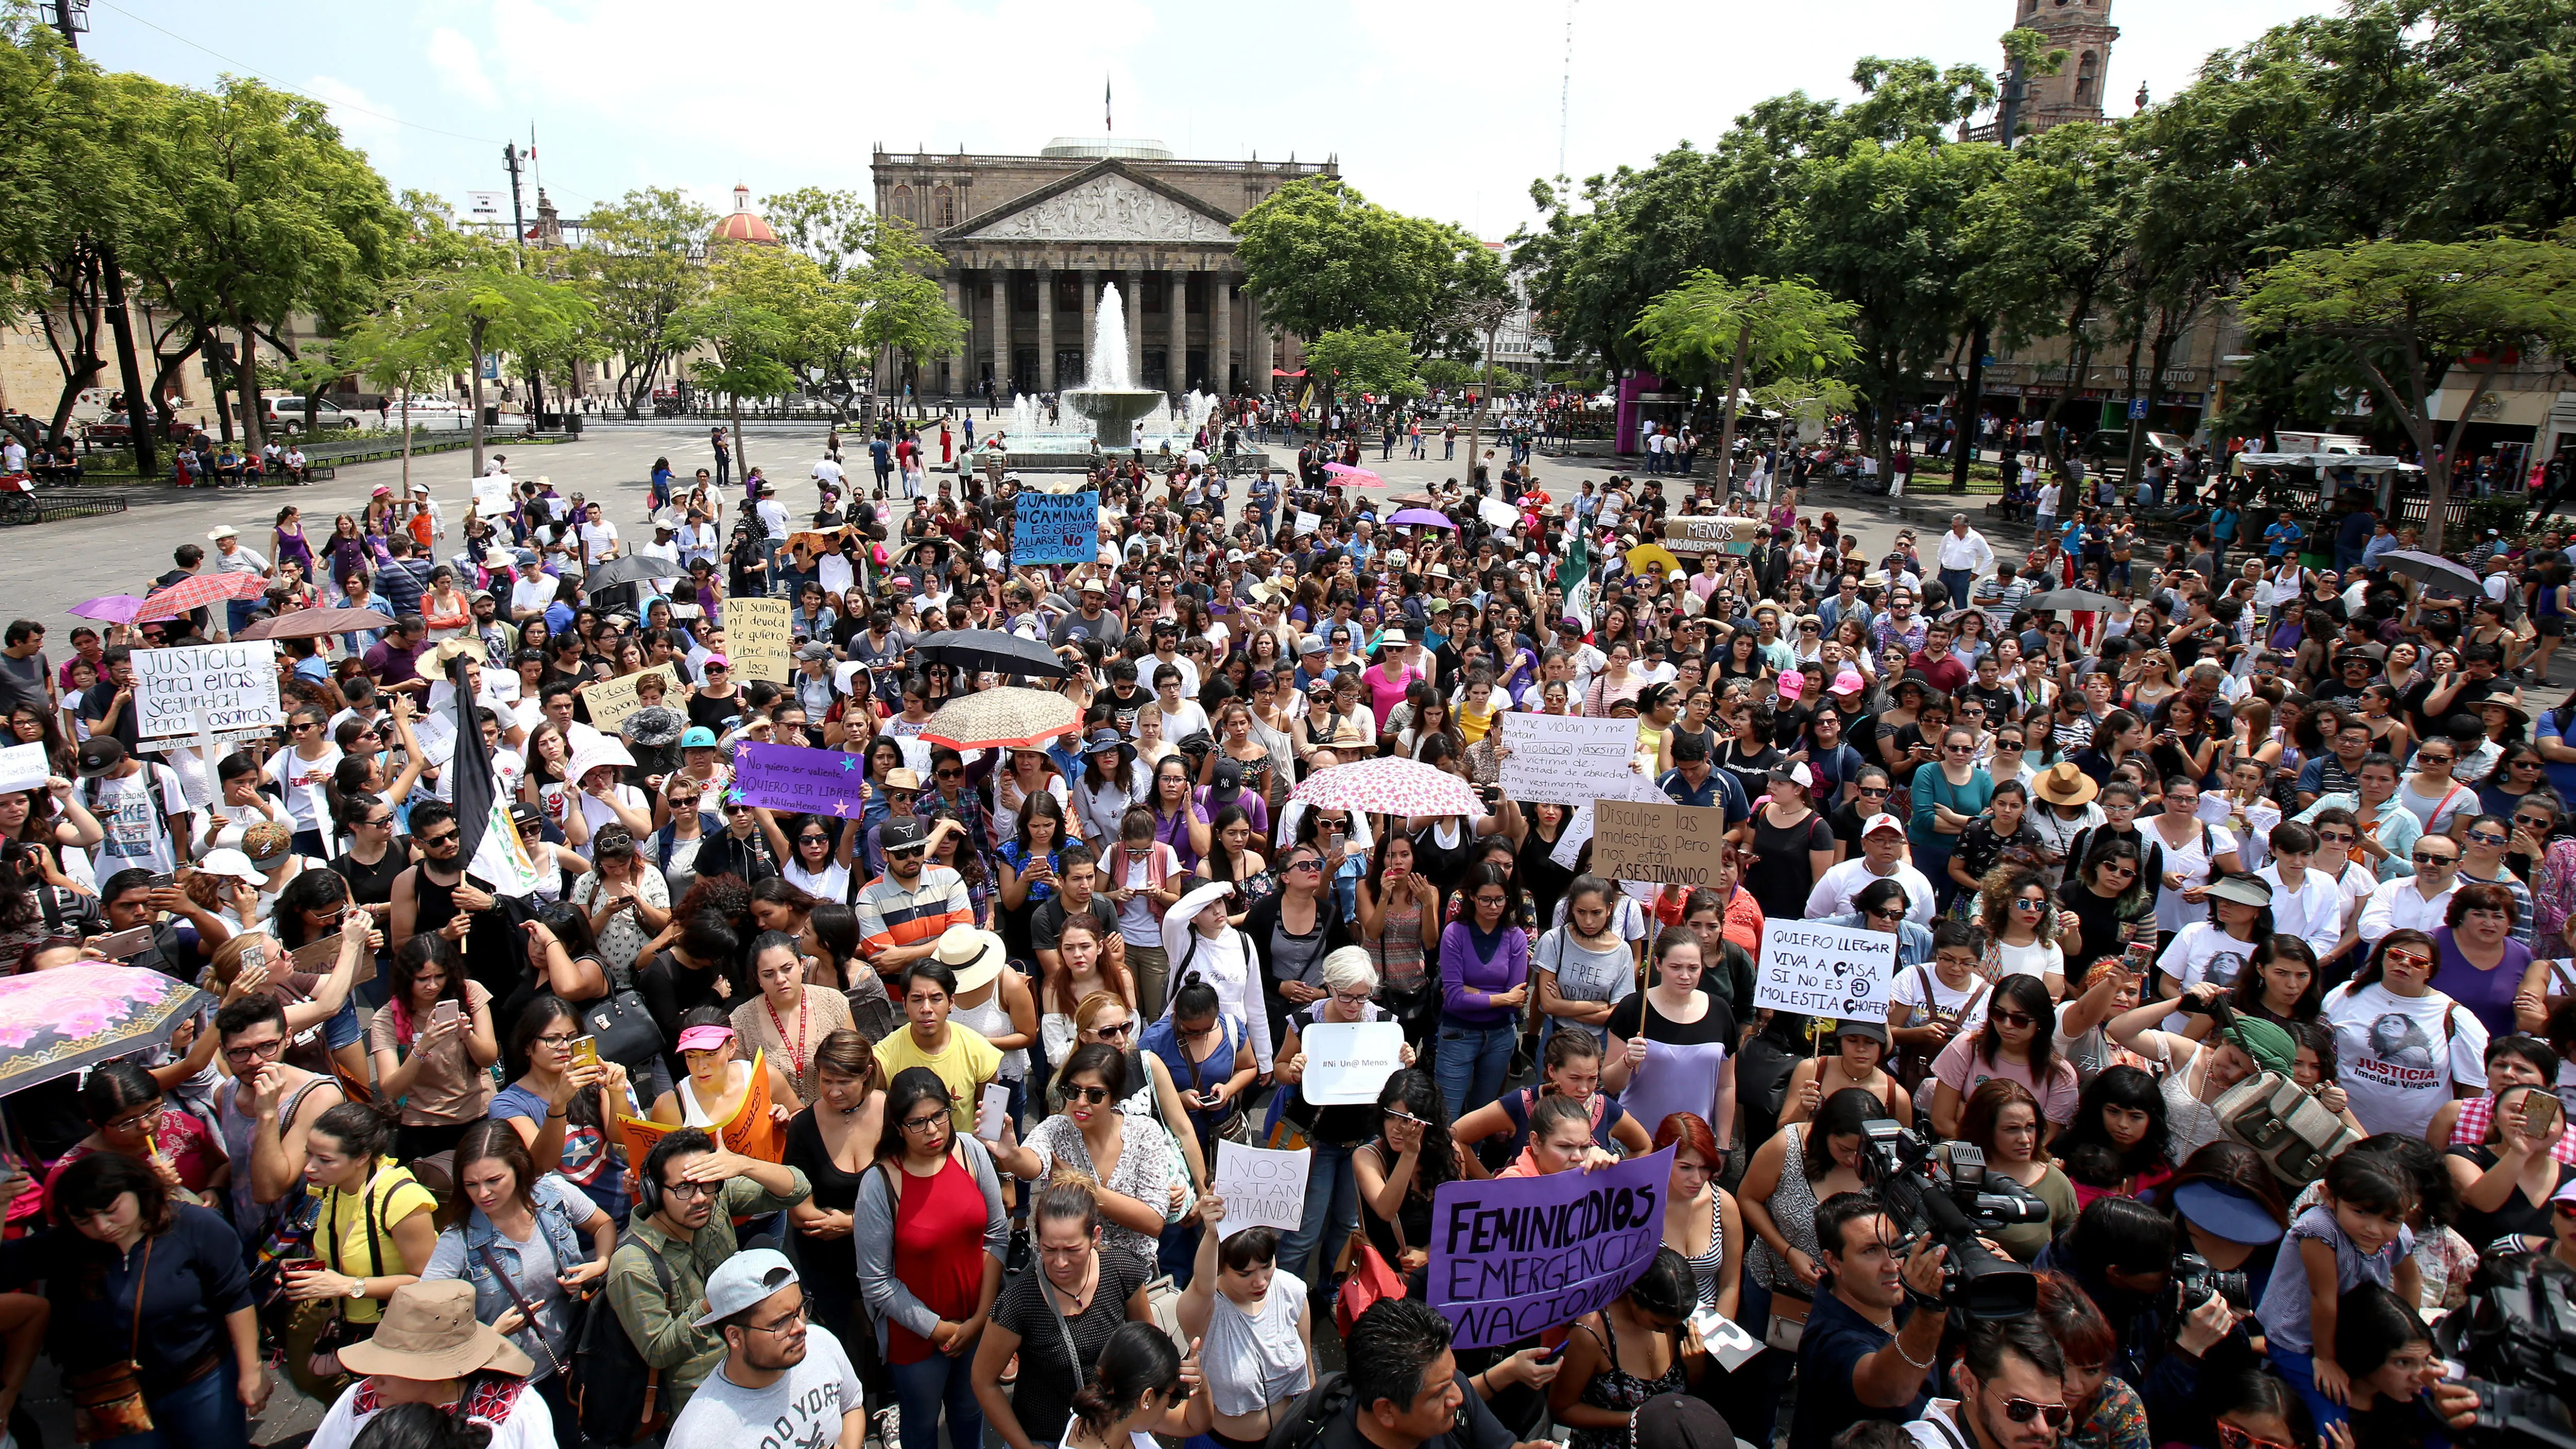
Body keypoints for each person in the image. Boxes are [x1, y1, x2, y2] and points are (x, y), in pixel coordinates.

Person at [0, 1152, 264, 1448]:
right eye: (84, 1219)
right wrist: (1, 1208)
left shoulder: (196, 1226)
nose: (102, 1227)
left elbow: (234, 1296)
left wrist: (251, 1370)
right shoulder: (64, 1245)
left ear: (138, 1190)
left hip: (200, 1384)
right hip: (108, 1395)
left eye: (111, 1211)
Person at [419, 1119, 614, 1442]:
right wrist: (489, 1335)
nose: (483, 1194)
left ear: (519, 1167)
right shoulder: (459, 1241)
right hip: (507, 1383)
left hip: (574, 1358)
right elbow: (425, 1316)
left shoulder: (552, 1195)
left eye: (494, 1180)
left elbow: (602, 1224)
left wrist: (600, 1264)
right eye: (470, 1185)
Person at [605, 1126, 815, 1418]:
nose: (700, 1198)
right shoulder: (632, 1264)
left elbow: (798, 1189)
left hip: (759, 1369)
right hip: (703, 1398)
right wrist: (714, 1301)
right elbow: (657, 1349)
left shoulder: (715, 1198)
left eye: (707, 1184)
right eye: (683, 1188)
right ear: (653, 1193)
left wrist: (745, 1164)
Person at [853, 1067, 1009, 1449]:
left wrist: (978, 1319)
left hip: (977, 1323)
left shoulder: (971, 1152)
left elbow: (998, 1234)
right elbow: (876, 1281)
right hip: (916, 1338)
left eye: (939, 1115)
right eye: (917, 1122)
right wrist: (938, 1328)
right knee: (921, 1425)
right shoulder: (880, 1182)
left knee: (970, 1413)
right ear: (897, 1126)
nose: (933, 1130)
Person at [973, 1180, 1158, 1449]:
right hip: (1045, 1437)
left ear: (1095, 1236)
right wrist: (1024, 1447)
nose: (1060, 1263)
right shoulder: (1020, 1300)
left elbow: (1147, 1350)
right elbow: (982, 1380)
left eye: (1072, 1250)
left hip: (1111, 1435)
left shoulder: (1122, 1271)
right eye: (1049, 1250)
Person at [1273, 945, 1416, 1290]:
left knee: (1348, 1223)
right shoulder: (1306, 1021)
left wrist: (1407, 1061)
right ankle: (1284, 1293)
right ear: (1329, 987)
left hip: (1364, 1141)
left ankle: (1332, 1289)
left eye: (1363, 997)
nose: (1355, 1006)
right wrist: (1292, 1072)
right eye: (1347, 997)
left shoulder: (1384, 1023)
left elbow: (1397, 1086)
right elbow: (1278, 1068)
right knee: (1305, 1228)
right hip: (1319, 1140)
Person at [2250, 1150, 2422, 1431]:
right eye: (2361, 1212)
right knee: (2333, 1420)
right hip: (2299, 1338)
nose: (2374, 1229)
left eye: (2390, 1220)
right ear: (2329, 1197)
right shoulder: (2321, 1232)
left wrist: (2403, 1340)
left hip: (2351, 1336)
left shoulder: (2400, 1235)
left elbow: (2410, 1282)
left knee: (2418, 1398)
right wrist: (2326, 1360)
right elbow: (2323, 1298)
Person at [282, 1101, 442, 1391]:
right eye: (309, 1154)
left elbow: (429, 1281)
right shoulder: (329, 1188)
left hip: (398, 1333)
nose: (309, 1167)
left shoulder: (402, 1199)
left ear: (363, 1157)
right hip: (349, 1327)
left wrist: (348, 1286)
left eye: (325, 1159)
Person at [997, 1043, 1184, 1277]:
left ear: (1114, 1097)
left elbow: (1153, 1221)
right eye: (1073, 1092)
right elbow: (1033, 1164)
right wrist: (1012, 1155)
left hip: (1131, 1281)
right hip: (1066, 1277)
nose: (1081, 1103)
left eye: (1095, 1095)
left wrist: (1080, 1186)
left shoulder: (1144, 1133)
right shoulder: (1056, 1129)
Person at [1787, 1190, 1949, 1449]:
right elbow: (1892, 1390)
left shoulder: (1902, 1297)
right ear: (1833, 1261)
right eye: (1871, 1251)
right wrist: (1932, 1306)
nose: (1892, 1265)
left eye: (1894, 1246)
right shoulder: (1829, 1339)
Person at [304, 1281, 554, 1449]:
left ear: (441, 1372)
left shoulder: (513, 1411)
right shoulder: (360, 1401)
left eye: (389, 1368)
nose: (372, 1381)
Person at [660, 1248, 867, 1449]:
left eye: (800, 1310)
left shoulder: (821, 1343)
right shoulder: (699, 1437)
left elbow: (851, 1407)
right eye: (781, 1322)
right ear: (735, 1337)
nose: (801, 1328)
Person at [2319, 931, 2488, 1139]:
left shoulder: (2455, 1016)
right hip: (2342, 1129)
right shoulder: (2345, 995)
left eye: (2418, 962)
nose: (2405, 963)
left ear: (2430, 972)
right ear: (2382, 956)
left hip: (2418, 1142)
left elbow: (2473, 1088)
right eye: (2396, 955)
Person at [1176, 1201, 1317, 1447]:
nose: (1260, 1282)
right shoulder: (1207, 1312)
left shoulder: (1291, 1290)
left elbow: (1307, 1363)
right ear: (1221, 1267)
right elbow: (1202, 1285)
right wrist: (1211, 1234)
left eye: (1266, 1266)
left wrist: (1315, 1421)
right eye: (1246, 1274)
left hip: (1288, 1436)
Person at [2103, 984, 2289, 1157]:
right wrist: (2181, 1002)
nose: (2234, 1074)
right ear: (2225, 1040)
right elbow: (2118, 1029)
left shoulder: (2265, 1093)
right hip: (2150, 1166)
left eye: (2249, 1075)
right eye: (2233, 1060)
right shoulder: (2187, 1053)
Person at [1547, 1248, 1707, 1449]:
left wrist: (1696, 1368)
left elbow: (1689, 1399)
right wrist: (1634, 1420)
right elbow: (1562, 1408)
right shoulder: (1591, 1336)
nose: (1668, 1331)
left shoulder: (1675, 1322)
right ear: (1634, 1300)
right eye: (1659, 1325)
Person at [1599, 927, 1737, 1155]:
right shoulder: (1634, 1008)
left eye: (1693, 968)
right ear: (1658, 964)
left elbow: (1726, 1086)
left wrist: (1722, 1144)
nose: (1685, 976)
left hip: (1694, 1146)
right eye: (1676, 967)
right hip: (1637, 1142)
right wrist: (1627, 1061)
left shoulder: (1720, 1011)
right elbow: (1611, 1084)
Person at [366, 934, 500, 1164]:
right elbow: (390, 1090)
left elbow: (488, 1058)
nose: (433, 985)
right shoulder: (387, 1018)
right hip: (422, 1125)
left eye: (440, 976)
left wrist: (467, 1035)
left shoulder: (471, 993)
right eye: (423, 978)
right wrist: (422, 1048)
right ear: (407, 978)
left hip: (478, 1112)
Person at [1433, 862, 1531, 1121]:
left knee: (1481, 1118)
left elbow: (1516, 1000)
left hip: (1500, 1036)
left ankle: (1472, 1159)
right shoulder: (1455, 933)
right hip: (1458, 1034)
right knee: (1448, 1116)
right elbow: (1454, 999)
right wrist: (1501, 997)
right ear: (1472, 897)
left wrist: (1471, 992)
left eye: (1500, 899)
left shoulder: (1516, 936)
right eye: (1486, 900)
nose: (1494, 907)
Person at [1929, 974, 2081, 1135]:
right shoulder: (1967, 1046)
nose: (2007, 1025)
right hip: (1965, 1150)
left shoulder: (2060, 1074)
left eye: (2020, 1020)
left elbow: (2046, 1139)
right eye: (1999, 1014)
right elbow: (1942, 1121)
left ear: (2041, 1022)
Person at [1946, 1078, 2079, 1261]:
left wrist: (2016, 1268)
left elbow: (2070, 1264)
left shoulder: (2057, 1185)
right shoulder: (1946, 1161)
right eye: (2012, 1129)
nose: (2025, 1139)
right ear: (1985, 1129)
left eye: (2030, 1127)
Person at [873, 953, 1003, 1135]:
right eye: (917, 999)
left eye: (936, 998)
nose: (926, 1008)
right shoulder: (883, 1057)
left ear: (951, 1003)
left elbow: (992, 1126)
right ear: (904, 1005)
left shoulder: (980, 1051)